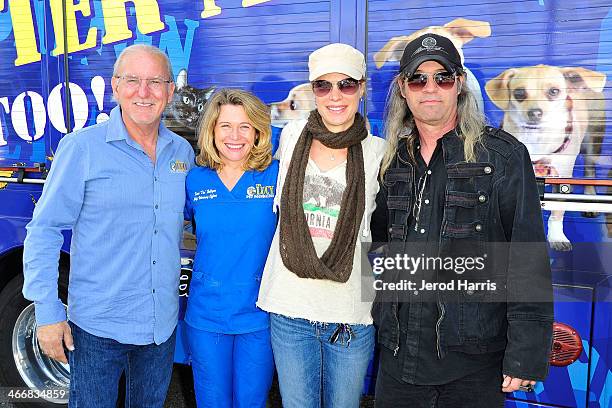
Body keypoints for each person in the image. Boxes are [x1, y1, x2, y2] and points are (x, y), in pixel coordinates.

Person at [370, 33, 554, 407]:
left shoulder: (502, 156)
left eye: (443, 77)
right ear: (403, 89)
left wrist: (525, 352)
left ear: (460, 86)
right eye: (418, 79)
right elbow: (381, 249)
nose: (430, 88)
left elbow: (527, 259)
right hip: (398, 360)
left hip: (473, 364)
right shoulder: (393, 162)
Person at [22, 44, 194, 408]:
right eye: (132, 80)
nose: (144, 92)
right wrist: (48, 311)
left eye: (155, 82)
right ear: (115, 86)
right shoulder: (82, 148)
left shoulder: (181, 152)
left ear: (170, 91)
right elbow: (45, 229)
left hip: (160, 326)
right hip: (99, 328)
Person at [257, 43, 387, 408]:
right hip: (289, 305)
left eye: (346, 85)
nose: (334, 96)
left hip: (350, 312)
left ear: (362, 87)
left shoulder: (378, 151)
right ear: (312, 89)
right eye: (322, 85)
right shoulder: (292, 135)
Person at [184, 89, 277, 407]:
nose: (234, 136)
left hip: (259, 316)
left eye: (244, 126)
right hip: (207, 315)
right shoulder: (195, 180)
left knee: (251, 401)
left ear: (257, 133)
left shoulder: (276, 175)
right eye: (225, 125)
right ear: (212, 130)